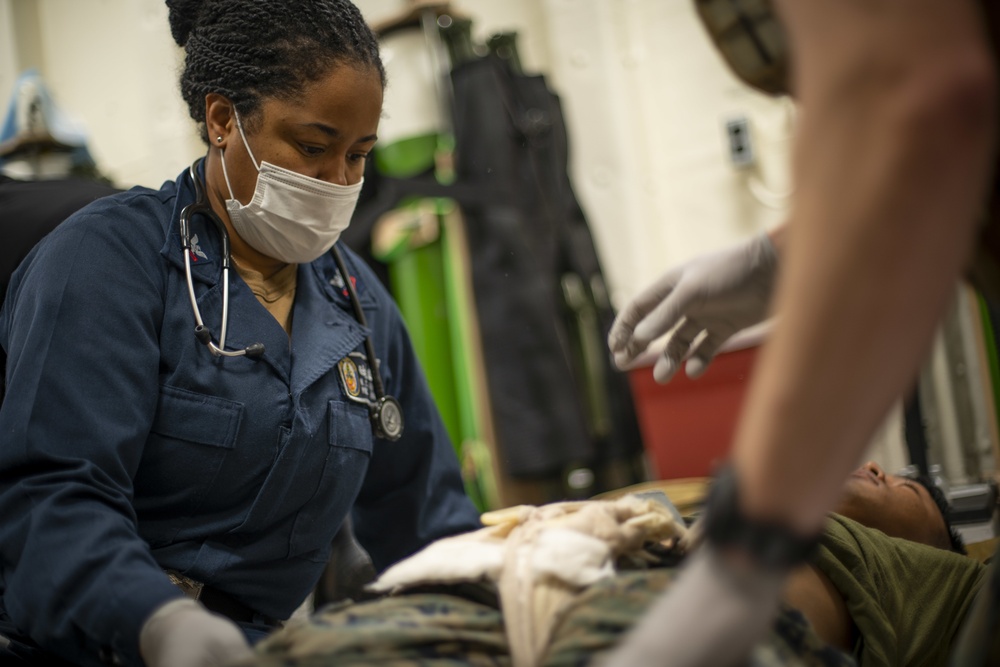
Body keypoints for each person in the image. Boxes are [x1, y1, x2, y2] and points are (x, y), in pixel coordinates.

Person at [0, 2, 481, 666]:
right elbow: (52, 499)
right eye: (313, 147)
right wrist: (158, 621)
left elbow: (428, 523)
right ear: (223, 121)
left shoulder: (359, 307)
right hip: (99, 645)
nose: (339, 182)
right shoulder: (108, 262)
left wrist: (498, 602)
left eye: (359, 155)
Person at [604, 0, 998, 664]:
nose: (874, 468)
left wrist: (747, 552)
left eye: (904, 481)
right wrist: (786, 253)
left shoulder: (871, 562)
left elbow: (919, 100)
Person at [223, 460, 983, 667]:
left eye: (913, 488)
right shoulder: (722, 506)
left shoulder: (944, 584)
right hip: (472, 602)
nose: (882, 467)